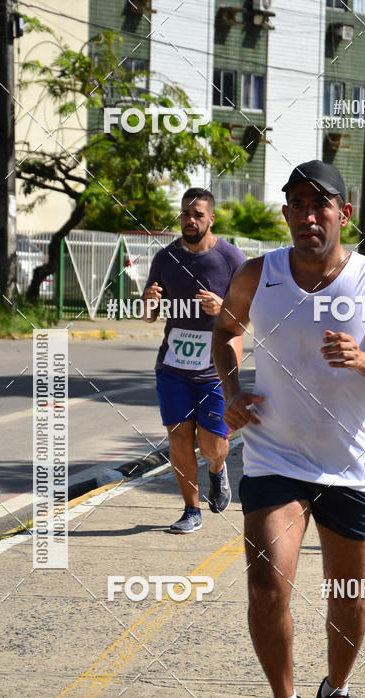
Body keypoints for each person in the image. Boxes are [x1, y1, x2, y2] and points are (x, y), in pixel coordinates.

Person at [212, 160, 365, 698]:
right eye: (297, 204)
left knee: (347, 594)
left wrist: (364, 361)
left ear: (344, 214)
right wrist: (230, 388)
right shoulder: (259, 274)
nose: (308, 215)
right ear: (286, 214)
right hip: (275, 458)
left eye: (320, 204)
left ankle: (337, 694)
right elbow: (227, 331)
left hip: (348, 465)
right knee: (266, 583)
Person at [143, 188, 246, 532]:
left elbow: (250, 315)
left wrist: (224, 309)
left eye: (198, 214)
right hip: (173, 367)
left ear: (211, 218)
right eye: (186, 213)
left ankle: (217, 470)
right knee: (179, 438)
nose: (190, 220)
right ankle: (191, 509)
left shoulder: (232, 259)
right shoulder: (165, 258)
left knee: (211, 444)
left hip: (216, 367)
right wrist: (149, 301)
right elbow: (149, 316)